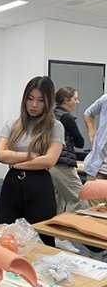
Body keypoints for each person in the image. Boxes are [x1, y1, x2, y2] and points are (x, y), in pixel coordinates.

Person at [0, 76, 64, 247]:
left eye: (40, 100)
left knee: (41, 238)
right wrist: (32, 155)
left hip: (40, 186)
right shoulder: (13, 125)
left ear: (48, 103)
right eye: (30, 98)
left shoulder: (55, 127)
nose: (34, 105)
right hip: (12, 185)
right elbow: (0, 155)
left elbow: (49, 160)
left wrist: (16, 162)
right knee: (5, 234)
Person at [49, 87, 88, 253]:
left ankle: (55, 237)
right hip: (63, 165)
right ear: (66, 100)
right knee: (79, 200)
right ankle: (62, 238)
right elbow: (80, 142)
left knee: (60, 202)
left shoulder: (50, 114)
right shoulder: (66, 118)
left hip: (50, 164)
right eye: (75, 99)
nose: (77, 102)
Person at [83, 93, 107, 206]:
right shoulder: (105, 99)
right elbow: (88, 113)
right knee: (95, 216)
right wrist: (92, 135)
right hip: (98, 170)